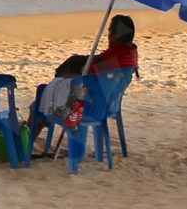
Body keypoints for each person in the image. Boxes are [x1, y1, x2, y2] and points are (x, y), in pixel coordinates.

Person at [29, 14, 139, 148]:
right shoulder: (131, 54)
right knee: (68, 70)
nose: (108, 35)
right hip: (109, 103)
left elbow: (88, 71)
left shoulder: (114, 56)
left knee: (40, 102)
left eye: (110, 31)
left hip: (90, 106)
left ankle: (25, 144)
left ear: (116, 35)